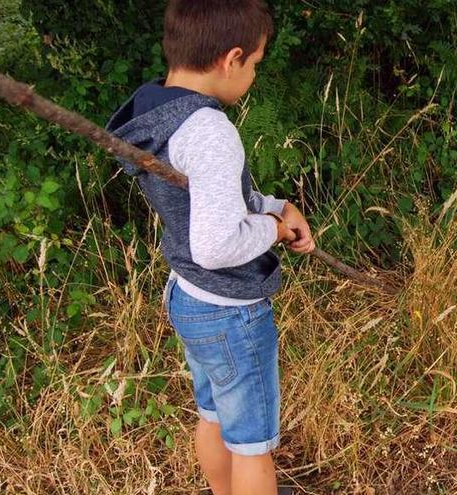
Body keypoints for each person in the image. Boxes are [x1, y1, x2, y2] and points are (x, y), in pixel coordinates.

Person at [106, 1, 312, 493]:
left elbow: (214, 200)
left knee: (214, 414)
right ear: (231, 58)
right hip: (229, 308)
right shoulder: (211, 132)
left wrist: (278, 205)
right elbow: (217, 245)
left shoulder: (158, 110)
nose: (254, 75)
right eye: (256, 64)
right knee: (253, 446)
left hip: (190, 296)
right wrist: (274, 229)